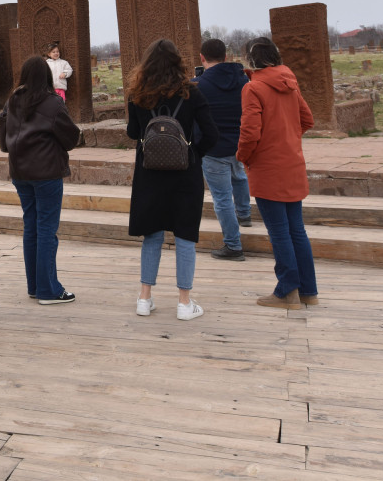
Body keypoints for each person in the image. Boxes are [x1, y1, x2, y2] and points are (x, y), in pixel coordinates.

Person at [126, 39, 218, 321]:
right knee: (185, 236)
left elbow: (133, 132)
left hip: (149, 173)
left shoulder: (137, 94)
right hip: (184, 174)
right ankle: (184, 303)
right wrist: (193, 154)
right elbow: (212, 134)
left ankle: (144, 299)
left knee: (152, 234)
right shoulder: (192, 92)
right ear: (177, 62)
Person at [237, 37, 318, 309]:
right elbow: (307, 119)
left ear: (251, 59)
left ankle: (287, 292)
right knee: (297, 230)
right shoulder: (290, 83)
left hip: (267, 168)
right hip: (292, 164)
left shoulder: (253, 87)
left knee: (279, 232)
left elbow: (250, 133)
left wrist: (243, 156)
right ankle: (308, 292)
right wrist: (287, 138)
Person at [0, 57, 82, 305]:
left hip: (20, 173)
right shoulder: (52, 102)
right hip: (46, 173)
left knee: (32, 227)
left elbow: (3, 136)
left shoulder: (13, 100)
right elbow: (70, 138)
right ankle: (48, 290)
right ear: (46, 75)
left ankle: (35, 286)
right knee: (46, 230)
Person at [195, 39, 253, 261]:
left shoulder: (199, 85)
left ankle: (233, 245)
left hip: (213, 147)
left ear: (202, 57)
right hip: (239, 143)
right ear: (225, 56)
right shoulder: (244, 80)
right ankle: (244, 214)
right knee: (239, 176)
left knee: (222, 198)